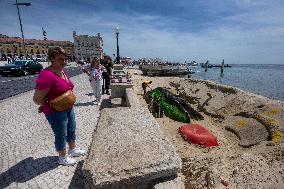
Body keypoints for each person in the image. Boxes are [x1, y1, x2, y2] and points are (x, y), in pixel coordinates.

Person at [33, 47, 86, 166]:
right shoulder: (46, 75)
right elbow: (37, 99)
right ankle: (62, 157)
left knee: (71, 129)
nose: (64, 62)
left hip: (68, 107)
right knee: (61, 133)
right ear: (52, 59)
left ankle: (72, 150)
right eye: (60, 59)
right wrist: (45, 104)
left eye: (66, 59)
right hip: (55, 110)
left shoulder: (62, 71)